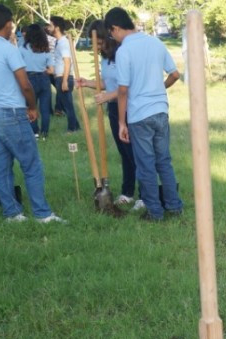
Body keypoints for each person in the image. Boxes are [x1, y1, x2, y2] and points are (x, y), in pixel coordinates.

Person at [0, 2, 63, 223]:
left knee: (2, 166)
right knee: (31, 164)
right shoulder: (8, 49)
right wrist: (32, 107)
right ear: (7, 25)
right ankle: (42, 214)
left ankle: (12, 213)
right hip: (11, 114)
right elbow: (25, 85)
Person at [105, 6, 184, 221]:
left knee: (146, 165)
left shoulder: (124, 51)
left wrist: (122, 122)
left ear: (115, 28)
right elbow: (175, 74)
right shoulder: (155, 42)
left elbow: (123, 90)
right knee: (164, 161)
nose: (112, 38)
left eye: (111, 33)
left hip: (139, 115)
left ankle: (155, 212)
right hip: (161, 110)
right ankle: (174, 206)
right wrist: (158, 89)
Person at [78, 20, 141, 211]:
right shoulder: (106, 59)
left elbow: (128, 85)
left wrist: (109, 95)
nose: (96, 46)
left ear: (108, 37)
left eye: (98, 42)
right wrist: (87, 82)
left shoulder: (123, 54)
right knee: (124, 152)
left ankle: (146, 195)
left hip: (130, 108)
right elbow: (108, 82)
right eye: (94, 44)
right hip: (114, 109)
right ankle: (127, 192)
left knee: (135, 153)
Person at [19, 22, 53, 139]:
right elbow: (51, 70)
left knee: (31, 107)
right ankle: (45, 133)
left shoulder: (22, 49)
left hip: (29, 79)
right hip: (44, 79)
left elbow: (19, 67)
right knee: (45, 109)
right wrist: (43, 70)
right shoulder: (46, 50)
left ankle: (34, 132)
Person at [47, 16, 79, 132]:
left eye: (51, 25)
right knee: (67, 105)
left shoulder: (63, 43)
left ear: (57, 27)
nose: (49, 28)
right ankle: (76, 126)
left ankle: (72, 129)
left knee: (67, 106)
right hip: (60, 77)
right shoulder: (58, 42)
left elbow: (67, 61)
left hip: (63, 78)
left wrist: (65, 81)